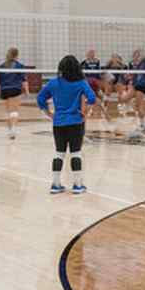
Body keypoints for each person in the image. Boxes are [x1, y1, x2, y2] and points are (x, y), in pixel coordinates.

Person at [37, 55, 97, 195]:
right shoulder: (81, 83)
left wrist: (49, 114)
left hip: (58, 123)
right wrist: (86, 111)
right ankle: (77, 185)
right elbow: (92, 98)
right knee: (76, 153)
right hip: (76, 122)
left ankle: (56, 184)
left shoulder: (53, 83)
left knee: (59, 153)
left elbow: (40, 99)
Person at [0, 47, 27, 139]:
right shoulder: (20, 66)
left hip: (4, 90)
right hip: (15, 89)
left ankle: (10, 131)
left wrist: (0, 93)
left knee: (8, 111)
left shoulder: (2, 66)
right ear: (17, 55)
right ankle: (13, 130)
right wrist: (27, 91)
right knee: (14, 111)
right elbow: (24, 81)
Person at [81, 48, 107, 132]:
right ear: (87, 55)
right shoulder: (84, 63)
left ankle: (103, 110)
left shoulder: (97, 61)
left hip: (95, 82)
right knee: (94, 99)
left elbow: (99, 73)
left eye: (93, 53)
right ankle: (93, 112)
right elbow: (83, 74)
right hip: (89, 82)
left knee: (100, 98)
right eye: (90, 53)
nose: (92, 54)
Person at [128, 51, 145, 137]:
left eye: (138, 55)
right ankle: (140, 123)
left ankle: (142, 124)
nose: (137, 57)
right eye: (135, 55)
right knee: (129, 101)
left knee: (139, 105)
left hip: (141, 86)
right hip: (135, 85)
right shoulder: (134, 65)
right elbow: (133, 76)